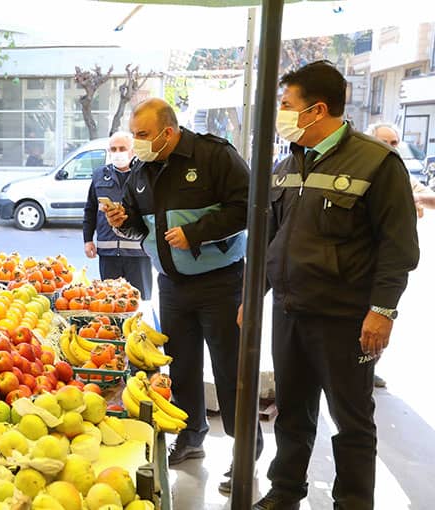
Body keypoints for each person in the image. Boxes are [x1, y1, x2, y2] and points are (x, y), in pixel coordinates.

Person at [251, 61, 419, 510]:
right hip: (289, 311)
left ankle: (353, 502)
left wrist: (382, 312)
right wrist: (252, 296)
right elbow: (272, 238)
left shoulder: (376, 163)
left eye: (286, 105)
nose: (281, 114)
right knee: (291, 410)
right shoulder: (286, 164)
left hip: (345, 320)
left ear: (317, 109)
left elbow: (398, 248)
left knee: (352, 419)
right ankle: (285, 491)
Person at [104, 98, 262, 488]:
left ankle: (245, 456)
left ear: (168, 132)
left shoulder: (214, 156)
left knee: (231, 371)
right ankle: (191, 436)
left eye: (142, 135)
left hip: (221, 285)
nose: (136, 143)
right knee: (182, 366)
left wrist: (197, 231)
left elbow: (250, 207)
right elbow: (138, 226)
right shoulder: (141, 170)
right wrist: (120, 220)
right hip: (171, 285)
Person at [364, 123, 434, 388]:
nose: (392, 147)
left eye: (395, 142)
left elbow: (428, 196)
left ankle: (368, 367)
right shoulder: (362, 167)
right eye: (386, 141)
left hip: (386, 264)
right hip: (357, 264)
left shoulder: (398, 171)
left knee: (380, 315)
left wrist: (413, 200)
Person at [82, 131, 152, 299]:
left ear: (132, 151)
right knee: (110, 303)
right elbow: (90, 209)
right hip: (108, 254)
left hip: (139, 254)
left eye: (122, 148)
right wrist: (88, 240)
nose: (117, 153)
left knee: (140, 302)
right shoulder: (100, 175)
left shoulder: (144, 175)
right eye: (113, 149)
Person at [366, 122, 435, 220]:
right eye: (383, 143)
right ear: (370, 144)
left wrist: (416, 198)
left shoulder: (400, 172)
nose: (390, 147)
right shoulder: (361, 169)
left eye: (394, 143)